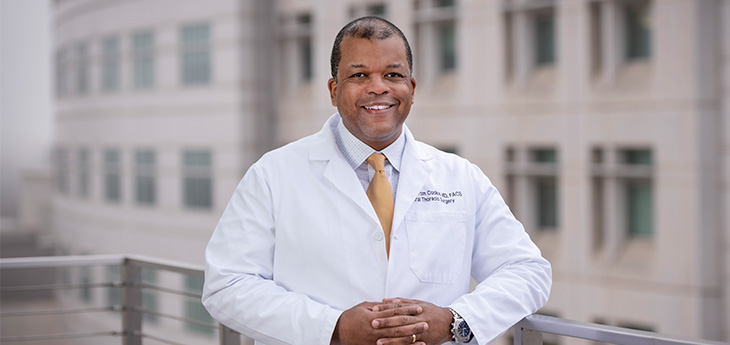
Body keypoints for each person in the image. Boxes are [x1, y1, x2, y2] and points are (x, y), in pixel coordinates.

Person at [202, 16, 551, 345]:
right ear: (333, 90)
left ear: (411, 88)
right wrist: (333, 328)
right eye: (359, 75)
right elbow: (227, 285)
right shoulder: (272, 175)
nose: (378, 88)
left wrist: (455, 322)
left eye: (393, 75)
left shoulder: (461, 176)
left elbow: (528, 271)